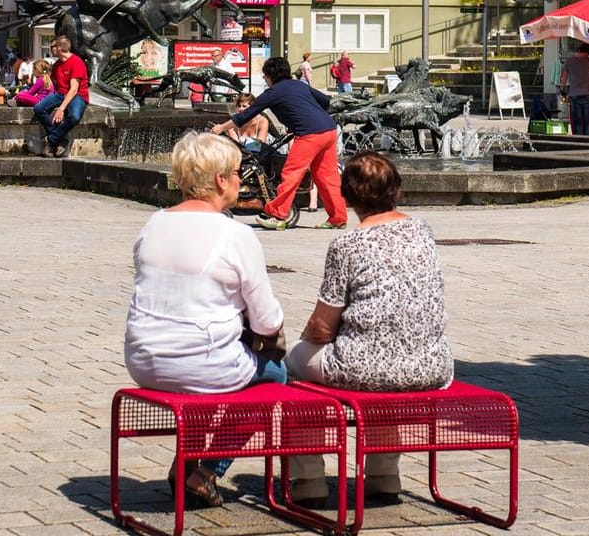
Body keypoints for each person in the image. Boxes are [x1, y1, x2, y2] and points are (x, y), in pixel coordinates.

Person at [123, 132, 287, 508]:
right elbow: (266, 321)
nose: (240, 179)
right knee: (274, 375)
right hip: (201, 363)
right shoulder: (235, 234)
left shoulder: (153, 224)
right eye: (236, 172)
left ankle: (189, 460)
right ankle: (207, 470)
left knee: (212, 364)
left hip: (143, 360)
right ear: (219, 181)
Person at [284, 152, 452, 505]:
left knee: (292, 366)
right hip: (431, 366)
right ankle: (383, 473)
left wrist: (307, 340)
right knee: (385, 366)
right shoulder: (423, 231)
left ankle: (309, 478)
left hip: (362, 366)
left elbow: (321, 326)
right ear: (397, 191)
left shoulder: (347, 244)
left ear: (348, 196)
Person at [212, 56, 347, 230]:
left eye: (264, 77)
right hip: (328, 129)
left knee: (291, 173)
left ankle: (278, 214)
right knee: (326, 176)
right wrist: (302, 114)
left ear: (269, 76)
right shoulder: (299, 84)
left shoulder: (273, 92)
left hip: (310, 134)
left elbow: (245, 115)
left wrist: (221, 127)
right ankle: (338, 218)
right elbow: (325, 101)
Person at [32, 36, 88, 158]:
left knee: (74, 116)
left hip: (77, 96)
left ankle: (51, 141)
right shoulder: (57, 65)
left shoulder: (76, 62)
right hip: (60, 94)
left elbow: (74, 89)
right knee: (39, 108)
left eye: (52, 47)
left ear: (58, 48)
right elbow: (55, 87)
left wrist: (61, 109)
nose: (51, 49)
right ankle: (60, 138)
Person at [559, 44, 589, 134]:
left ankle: (578, 140)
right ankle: (587, 140)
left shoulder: (569, 61)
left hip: (574, 94)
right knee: (587, 121)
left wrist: (562, 89)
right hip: (587, 94)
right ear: (588, 52)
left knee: (577, 121)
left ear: (579, 50)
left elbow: (564, 77)